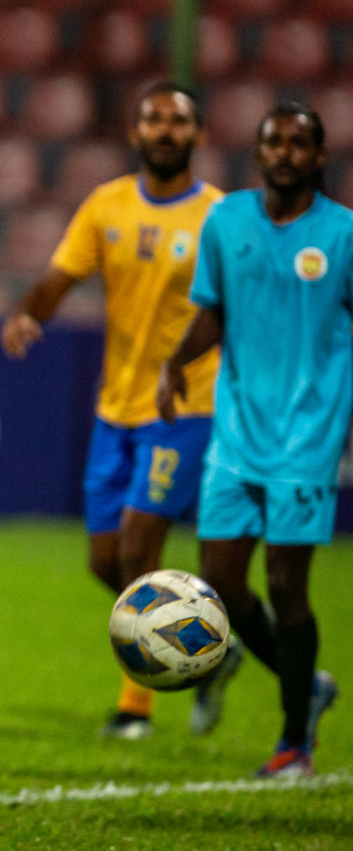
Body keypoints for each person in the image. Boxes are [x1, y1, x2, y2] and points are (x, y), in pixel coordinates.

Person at [0, 83, 237, 740]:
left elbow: (232, 310)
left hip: (187, 406)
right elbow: (61, 276)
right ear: (135, 133)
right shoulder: (107, 205)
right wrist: (27, 314)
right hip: (116, 409)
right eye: (154, 120)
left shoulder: (218, 218)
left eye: (178, 121)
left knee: (139, 549)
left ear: (198, 136)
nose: (164, 130)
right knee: (104, 564)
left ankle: (135, 710)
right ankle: (210, 640)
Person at [158, 102, 344, 777]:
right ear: (258, 153)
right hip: (236, 436)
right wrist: (178, 362)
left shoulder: (343, 236)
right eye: (275, 141)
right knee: (221, 586)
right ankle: (312, 688)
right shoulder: (227, 220)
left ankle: (294, 742)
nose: (286, 151)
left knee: (288, 584)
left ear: (319, 157)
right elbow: (214, 309)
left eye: (299, 142)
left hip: (306, 440)